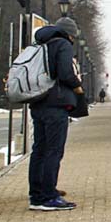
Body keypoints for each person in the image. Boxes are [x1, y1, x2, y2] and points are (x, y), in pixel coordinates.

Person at [28, 17, 84, 211]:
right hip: (56, 104)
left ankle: (36, 195)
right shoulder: (63, 45)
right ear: (69, 34)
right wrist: (77, 87)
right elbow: (65, 74)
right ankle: (49, 196)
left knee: (39, 149)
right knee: (54, 150)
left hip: (38, 103)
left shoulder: (40, 44)